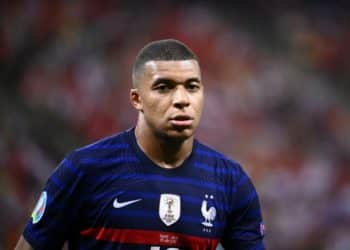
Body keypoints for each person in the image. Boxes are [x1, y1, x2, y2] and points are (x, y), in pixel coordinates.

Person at [15, 39, 265, 250]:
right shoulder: (83, 169)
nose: (181, 99)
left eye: (192, 87)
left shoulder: (231, 182)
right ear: (137, 99)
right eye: (163, 87)